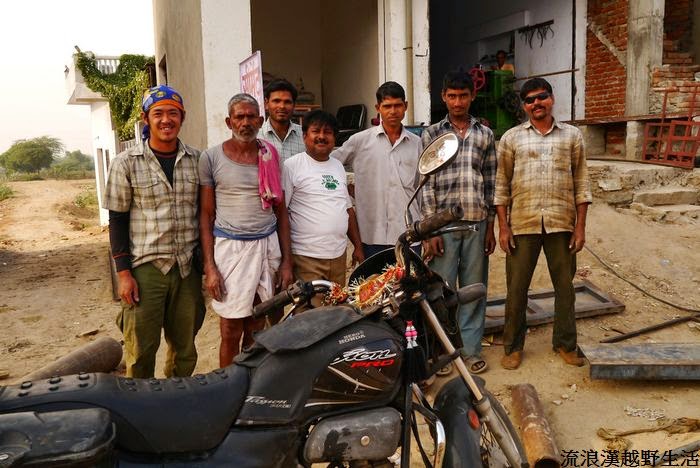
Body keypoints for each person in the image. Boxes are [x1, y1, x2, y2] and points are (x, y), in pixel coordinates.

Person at [103, 85, 205, 378]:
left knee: (185, 349)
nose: (166, 120)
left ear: (182, 117)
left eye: (173, 113)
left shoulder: (197, 160)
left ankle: (175, 397)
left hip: (186, 267)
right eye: (158, 113)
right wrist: (124, 275)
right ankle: (140, 403)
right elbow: (117, 220)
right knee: (141, 351)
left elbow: (204, 213)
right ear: (145, 118)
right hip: (145, 269)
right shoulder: (126, 163)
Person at [495, 78, 592, 370]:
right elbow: (501, 185)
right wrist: (503, 227)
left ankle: (565, 343)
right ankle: (513, 347)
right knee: (516, 289)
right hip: (522, 224)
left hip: (561, 224)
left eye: (541, 97)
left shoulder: (572, 136)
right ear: (524, 106)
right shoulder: (511, 138)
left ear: (551, 98)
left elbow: (582, 183)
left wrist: (580, 227)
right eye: (529, 100)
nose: (536, 103)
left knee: (565, 288)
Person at [199, 93, 294, 366]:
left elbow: (281, 211)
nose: (245, 122)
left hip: (266, 246)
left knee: (257, 324)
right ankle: (227, 384)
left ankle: (249, 382)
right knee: (230, 329)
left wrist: (287, 262)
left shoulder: (270, 155)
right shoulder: (211, 157)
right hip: (230, 251)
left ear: (261, 121)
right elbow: (206, 215)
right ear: (229, 122)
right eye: (239, 117)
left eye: (251, 116)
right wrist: (210, 267)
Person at [420, 70, 497, 374]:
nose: (457, 102)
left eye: (463, 96)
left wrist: (491, 226)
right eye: (451, 96)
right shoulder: (432, 134)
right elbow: (426, 183)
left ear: (472, 96)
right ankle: (441, 352)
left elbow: (490, 182)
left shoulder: (485, 134)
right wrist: (430, 229)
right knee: (440, 292)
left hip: (476, 223)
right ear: (444, 97)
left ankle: (470, 350)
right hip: (443, 227)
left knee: (474, 290)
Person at [331, 81, 422, 259]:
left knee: (409, 278)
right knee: (373, 278)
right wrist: (345, 188)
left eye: (397, 105)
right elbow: (329, 164)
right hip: (371, 235)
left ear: (406, 106)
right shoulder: (359, 141)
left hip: (408, 233)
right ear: (378, 108)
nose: (393, 111)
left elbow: (422, 188)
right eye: (387, 106)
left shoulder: (417, 143)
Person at [284, 110, 364, 293]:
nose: (321, 136)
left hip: (338, 255)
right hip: (306, 257)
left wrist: (358, 246)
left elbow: (347, 209)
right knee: (313, 309)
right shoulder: (291, 166)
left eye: (327, 132)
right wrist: (286, 259)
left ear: (334, 138)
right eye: (316, 131)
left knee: (335, 306)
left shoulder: (337, 166)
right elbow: (282, 214)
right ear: (305, 136)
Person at [258, 79, 305, 164]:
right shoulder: (256, 138)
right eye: (276, 101)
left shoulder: (305, 136)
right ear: (266, 103)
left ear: (294, 105)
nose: (282, 106)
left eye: (287, 102)